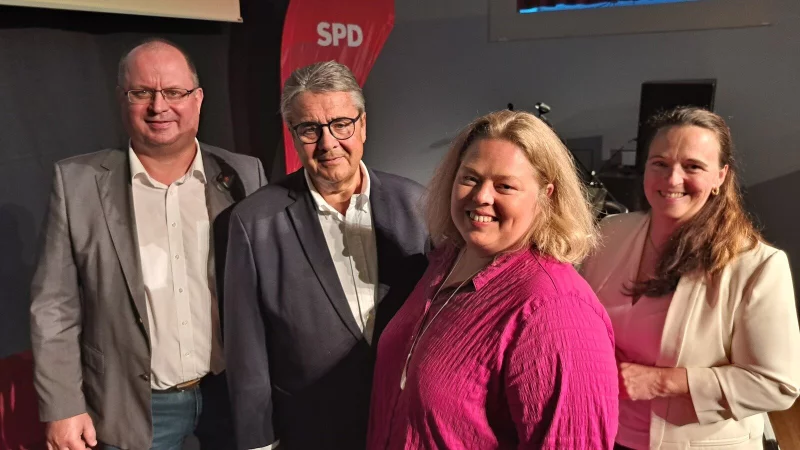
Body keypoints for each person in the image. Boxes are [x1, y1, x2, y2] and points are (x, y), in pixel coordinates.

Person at [30, 38, 266, 450]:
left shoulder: (244, 175)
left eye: (174, 92)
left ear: (198, 99)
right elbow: (54, 307)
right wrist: (63, 406)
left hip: (230, 393)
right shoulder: (78, 184)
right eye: (142, 92)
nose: (160, 107)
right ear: (122, 98)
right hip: (135, 405)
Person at [368, 110, 619, 449]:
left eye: (505, 186)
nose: (482, 197)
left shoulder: (556, 311)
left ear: (546, 195)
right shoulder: (444, 263)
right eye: (470, 178)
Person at [222, 60, 429, 450]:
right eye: (310, 129)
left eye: (340, 124)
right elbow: (247, 350)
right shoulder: (254, 222)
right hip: (311, 433)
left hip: (404, 427)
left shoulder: (418, 207)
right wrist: (258, 443)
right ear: (293, 135)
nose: (328, 142)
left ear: (362, 125)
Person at [581, 107, 800, 449]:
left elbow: (777, 384)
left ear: (720, 177)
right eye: (660, 163)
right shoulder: (609, 234)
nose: (672, 179)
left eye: (693, 166)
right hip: (606, 432)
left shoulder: (758, 265)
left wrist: (662, 382)